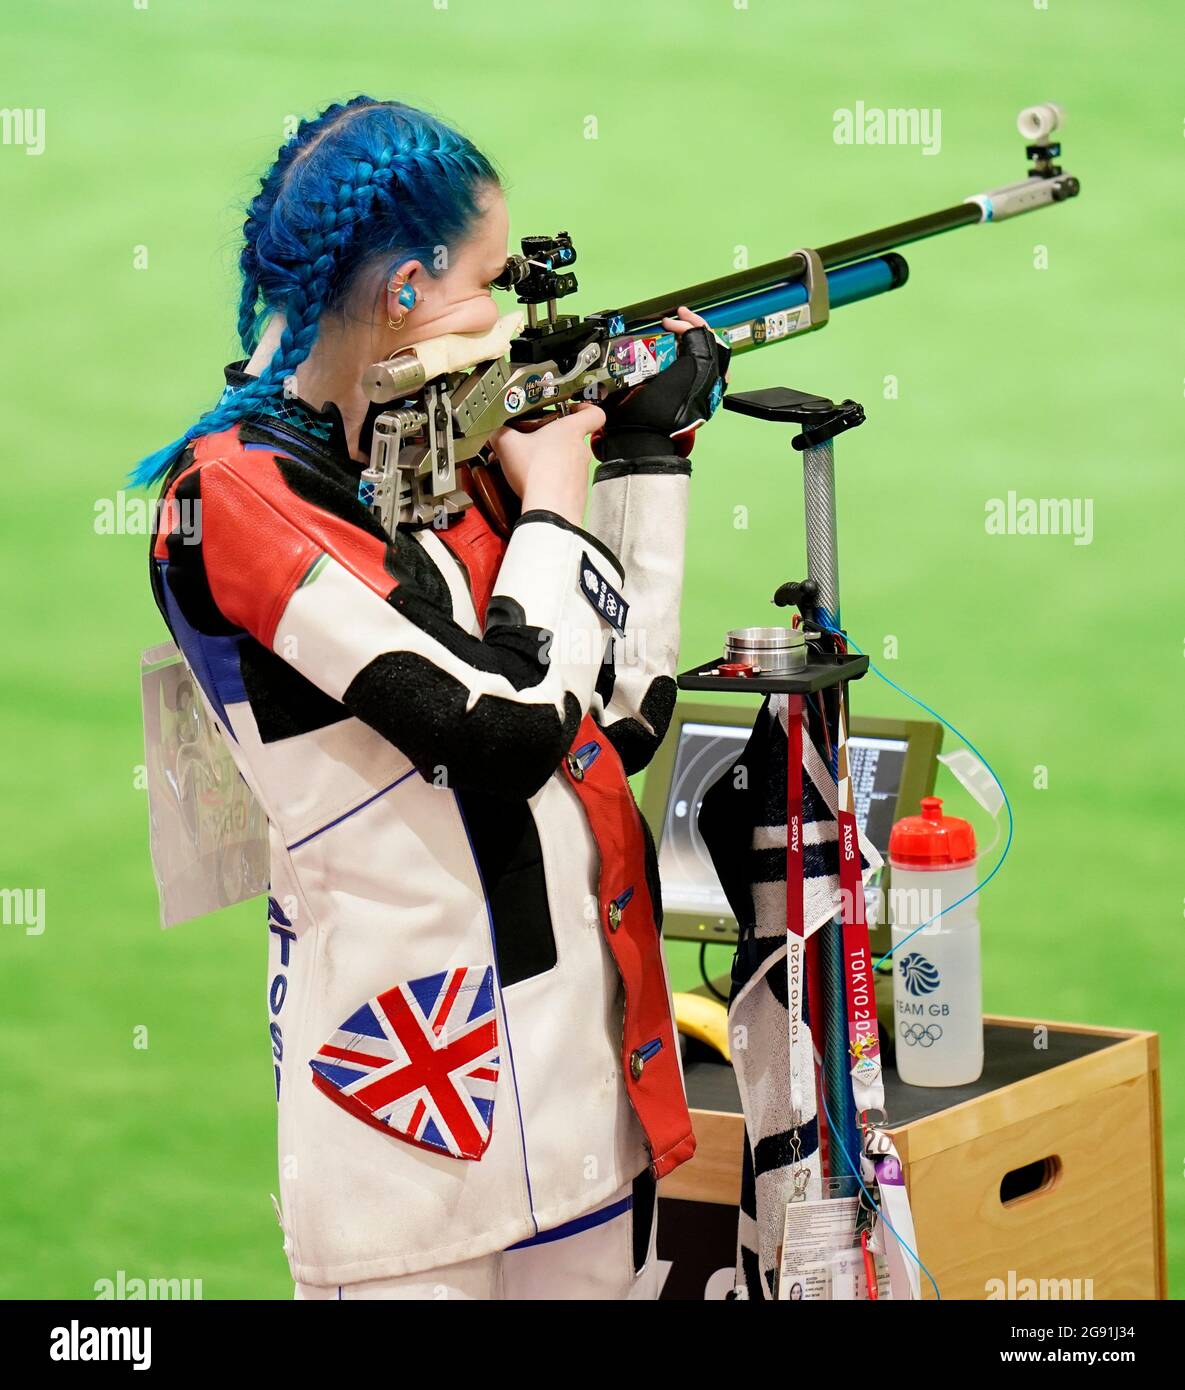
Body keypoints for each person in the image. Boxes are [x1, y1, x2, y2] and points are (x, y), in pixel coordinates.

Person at [137, 96, 728, 1300]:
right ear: (404, 289)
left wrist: (647, 467)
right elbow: (499, 733)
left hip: (576, 1082)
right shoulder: (234, 497)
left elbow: (609, 720)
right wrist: (557, 495)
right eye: (490, 281)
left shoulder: (434, 459)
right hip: (410, 1108)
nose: (508, 317)